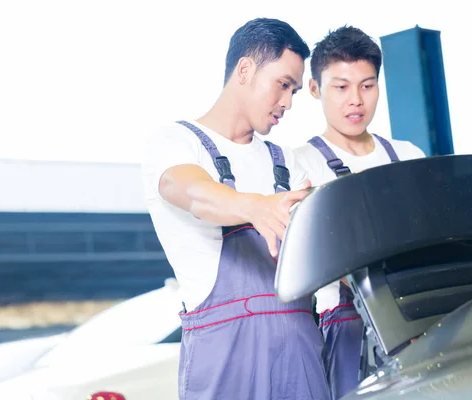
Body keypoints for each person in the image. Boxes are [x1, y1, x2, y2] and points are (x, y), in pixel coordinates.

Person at [141, 18, 330, 400]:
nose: (288, 103)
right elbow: (192, 192)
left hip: (302, 354)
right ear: (245, 69)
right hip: (226, 359)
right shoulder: (177, 142)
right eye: (282, 85)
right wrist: (258, 208)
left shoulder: (289, 163)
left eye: (293, 91)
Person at [294, 26, 426, 400]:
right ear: (315, 89)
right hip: (349, 329)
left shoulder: (408, 156)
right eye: (341, 87)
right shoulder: (301, 164)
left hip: (422, 314)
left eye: (367, 86)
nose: (356, 100)